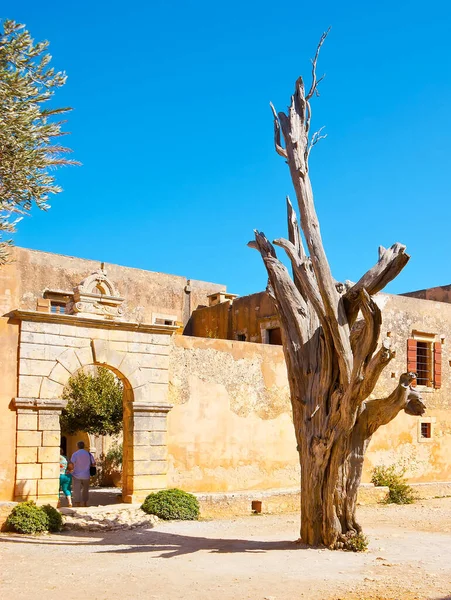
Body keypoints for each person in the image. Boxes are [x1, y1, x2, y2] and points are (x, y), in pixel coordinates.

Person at [70, 441, 96, 507]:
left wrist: (69, 470)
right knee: (85, 490)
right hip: (86, 474)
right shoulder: (89, 454)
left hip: (76, 474)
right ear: (84, 446)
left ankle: (77, 503)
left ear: (77, 446)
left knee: (76, 489)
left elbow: (72, 463)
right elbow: (94, 463)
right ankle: (85, 503)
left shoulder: (75, 454)